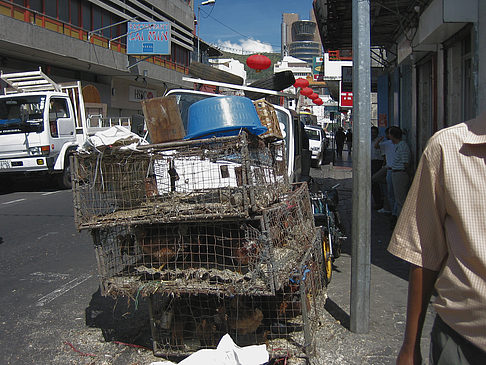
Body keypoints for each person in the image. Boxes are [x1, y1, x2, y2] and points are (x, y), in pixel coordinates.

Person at [388, 114, 486, 364]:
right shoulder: (448, 148)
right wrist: (410, 348)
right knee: (397, 201)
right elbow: (423, 253)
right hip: (464, 340)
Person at [389, 126, 411, 222]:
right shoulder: (398, 146)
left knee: (400, 201)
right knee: (398, 199)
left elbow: (406, 162)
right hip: (396, 173)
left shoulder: (402, 146)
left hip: (400, 174)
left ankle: (401, 222)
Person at [370, 126, 384, 210]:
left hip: (379, 163)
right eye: (371, 132)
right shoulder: (368, 141)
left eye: (374, 132)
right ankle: (377, 201)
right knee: (373, 183)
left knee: (376, 182)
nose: (372, 134)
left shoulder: (381, 142)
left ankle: (380, 202)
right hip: (371, 162)